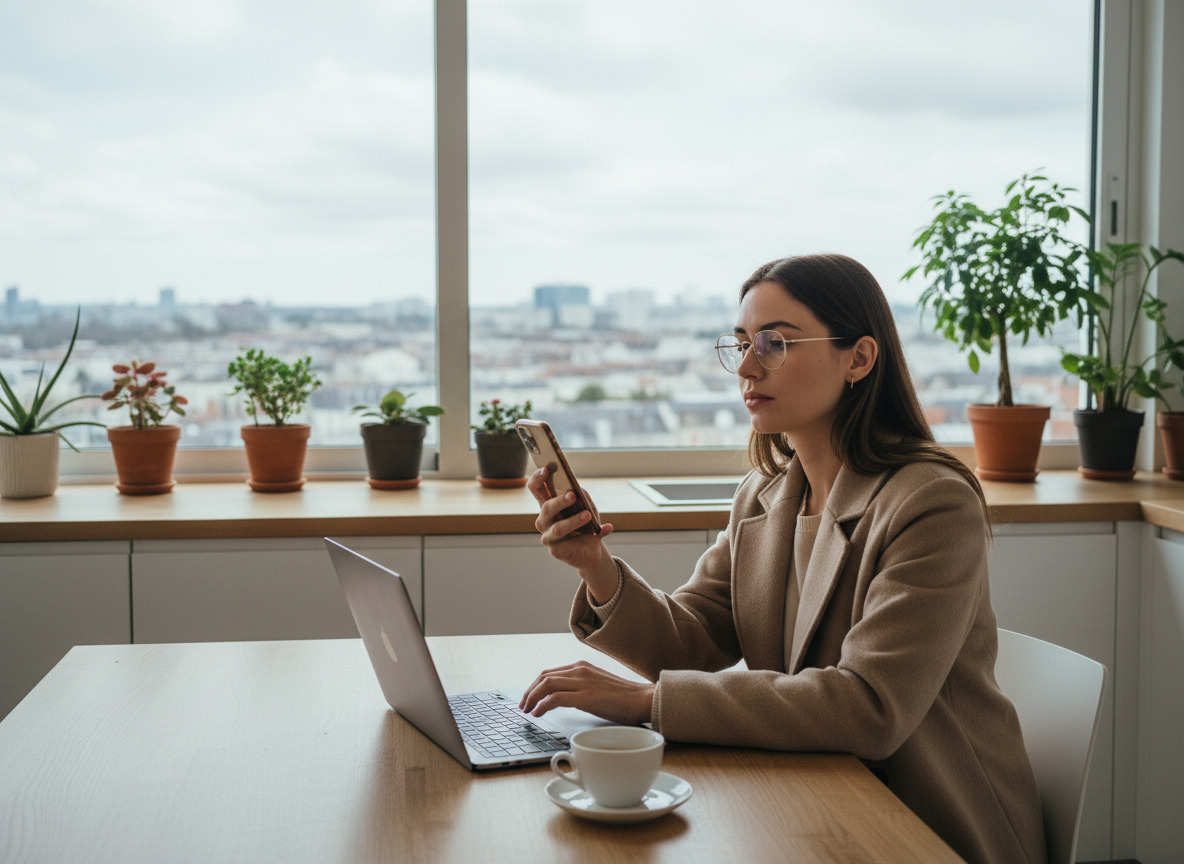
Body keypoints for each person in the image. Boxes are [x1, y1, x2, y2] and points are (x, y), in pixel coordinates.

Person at [519, 254, 1047, 864]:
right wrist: (595, 565)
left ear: (859, 358)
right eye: (742, 343)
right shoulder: (765, 494)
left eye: (775, 344)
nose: (747, 366)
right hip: (811, 800)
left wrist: (646, 702)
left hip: (927, 824)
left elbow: (869, 707)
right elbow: (691, 644)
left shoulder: (932, 503)